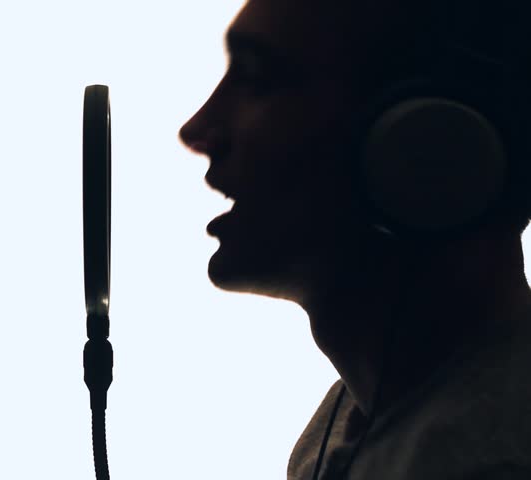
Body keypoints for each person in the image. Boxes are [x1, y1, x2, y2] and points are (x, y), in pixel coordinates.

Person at [179, 1, 531, 478]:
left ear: (430, 137)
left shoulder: (490, 457)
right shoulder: (361, 424)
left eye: (259, 78)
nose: (197, 130)